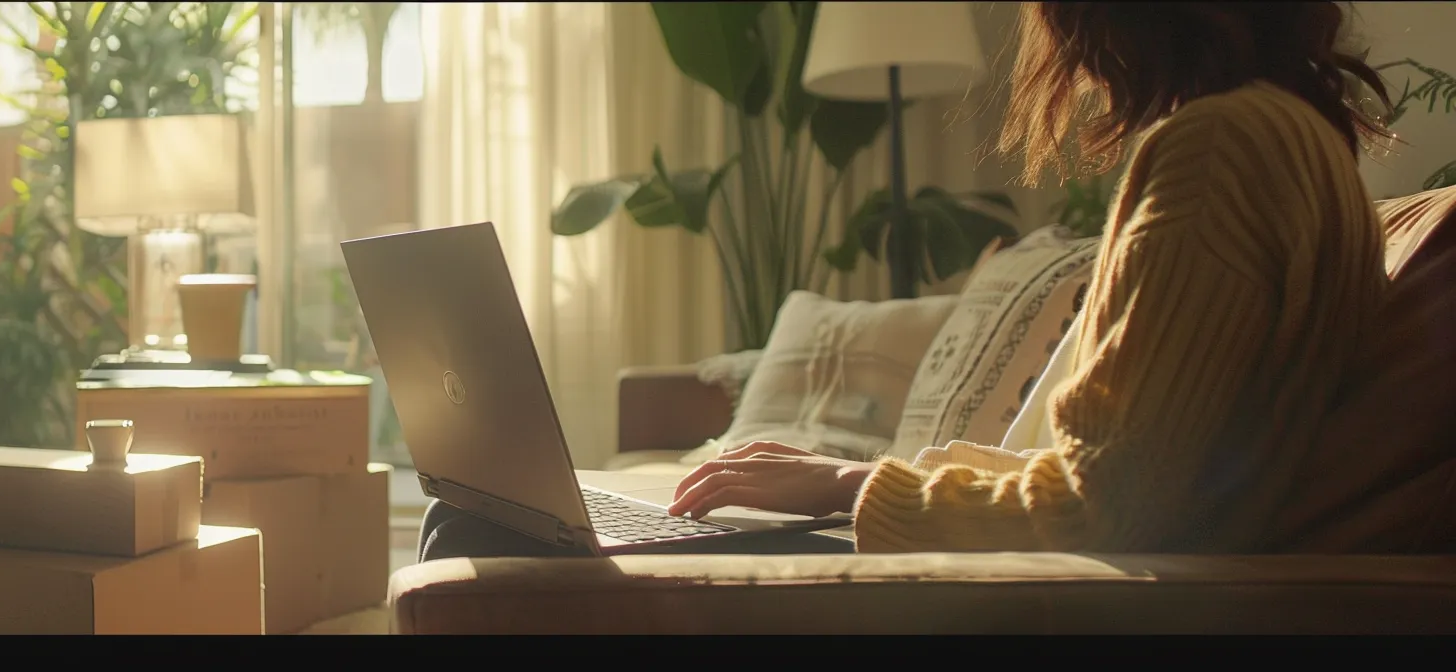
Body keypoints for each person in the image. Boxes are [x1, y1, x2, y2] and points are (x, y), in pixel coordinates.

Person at [419, 1, 1394, 561]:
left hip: (1066, 598)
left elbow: (1108, 511)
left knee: (483, 530)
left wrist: (849, 490)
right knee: (507, 517)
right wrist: (842, 480)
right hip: (1081, 573)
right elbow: (1123, 477)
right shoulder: (1287, 136)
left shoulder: (1217, 150)